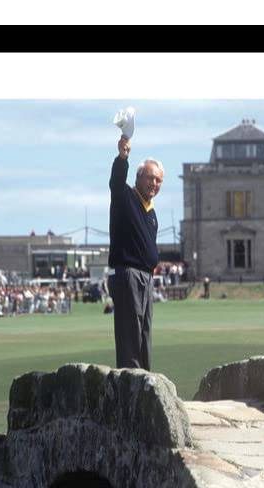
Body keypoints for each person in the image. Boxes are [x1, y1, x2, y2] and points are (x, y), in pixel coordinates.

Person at [107, 134, 163, 370]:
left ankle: (146, 382)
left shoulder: (151, 213)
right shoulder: (126, 197)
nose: (154, 184)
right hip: (128, 274)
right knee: (131, 333)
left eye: (159, 180)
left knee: (145, 333)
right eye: (151, 178)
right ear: (139, 177)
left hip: (146, 278)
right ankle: (132, 386)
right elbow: (116, 181)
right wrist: (123, 157)